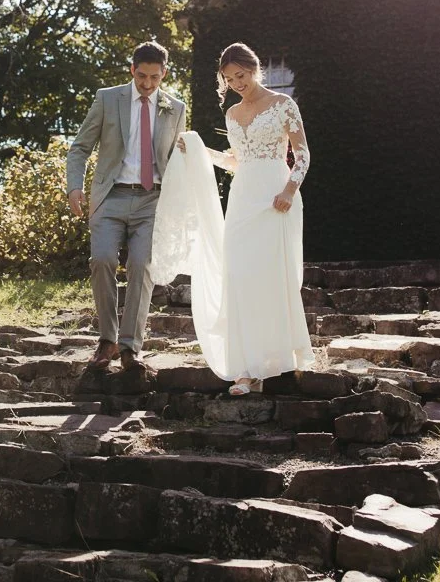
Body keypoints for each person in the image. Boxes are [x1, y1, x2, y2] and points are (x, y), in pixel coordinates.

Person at [151, 42, 314, 396]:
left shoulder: (283, 105)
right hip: (242, 199)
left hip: (275, 196)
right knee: (239, 276)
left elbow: (303, 156)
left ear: (254, 69)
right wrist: (200, 151)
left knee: (271, 275)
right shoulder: (232, 114)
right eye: (229, 79)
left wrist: (288, 191)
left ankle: (276, 359)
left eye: (241, 75)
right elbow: (237, 162)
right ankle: (246, 368)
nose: (237, 83)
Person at [66, 41, 189, 372]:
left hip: (153, 200)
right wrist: (75, 187)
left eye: (154, 77)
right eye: (142, 76)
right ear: (132, 70)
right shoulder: (108, 98)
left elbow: (177, 160)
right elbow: (80, 148)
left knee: (140, 265)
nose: (148, 84)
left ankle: (131, 346)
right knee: (102, 259)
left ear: (164, 74)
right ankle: (107, 340)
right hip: (111, 196)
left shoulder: (175, 107)